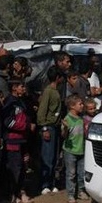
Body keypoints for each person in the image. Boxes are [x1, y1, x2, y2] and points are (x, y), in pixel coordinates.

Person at [1, 79, 34, 203]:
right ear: (14, 88)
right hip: (12, 140)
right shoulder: (10, 103)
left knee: (22, 166)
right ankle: (12, 196)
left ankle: (20, 192)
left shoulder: (20, 102)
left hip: (22, 139)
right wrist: (26, 126)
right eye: (21, 86)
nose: (24, 89)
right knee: (14, 168)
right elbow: (8, 122)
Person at [37, 66, 64, 194]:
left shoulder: (55, 91)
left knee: (54, 157)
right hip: (49, 127)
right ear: (58, 78)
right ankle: (45, 184)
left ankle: (52, 182)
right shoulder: (48, 91)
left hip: (55, 127)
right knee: (47, 157)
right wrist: (44, 128)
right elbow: (42, 112)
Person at [62, 94, 88, 203]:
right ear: (72, 106)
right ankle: (71, 194)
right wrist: (65, 128)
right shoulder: (67, 119)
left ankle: (81, 191)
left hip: (81, 149)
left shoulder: (81, 118)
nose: (82, 106)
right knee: (71, 173)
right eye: (80, 104)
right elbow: (64, 136)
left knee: (82, 172)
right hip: (70, 151)